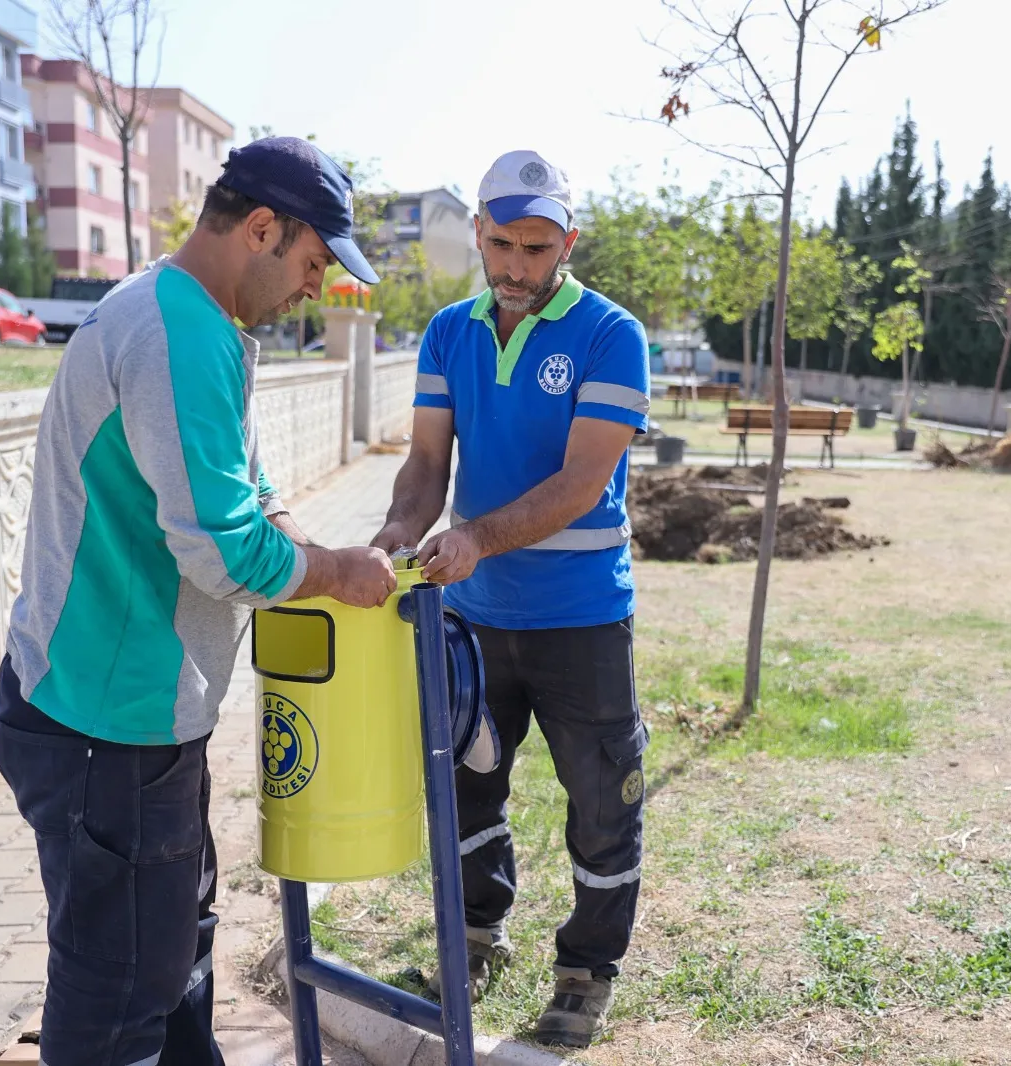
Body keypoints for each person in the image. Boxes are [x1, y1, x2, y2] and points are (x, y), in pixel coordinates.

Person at [0, 137, 398, 1066]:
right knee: (118, 1000)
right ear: (261, 228)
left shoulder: (191, 318)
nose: (316, 288)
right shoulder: (177, 333)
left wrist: (292, 523)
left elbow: (249, 492)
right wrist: (334, 571)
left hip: (130, 719)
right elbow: (223, 551)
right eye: (312, 262)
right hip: (110, 723)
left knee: (172, 958)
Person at [371, 149, 651, 1048]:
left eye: (539, 248)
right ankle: (474, 935)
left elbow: (579, 484)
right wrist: (393, 538)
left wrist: (477, 537)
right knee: (465, 786)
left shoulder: (613, 336)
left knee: (603, 799)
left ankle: (585, 970)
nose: (519, 268)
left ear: (568, 241)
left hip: (581, 620)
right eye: (502, 245)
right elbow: (425, 467)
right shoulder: (450, 331)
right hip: (474, 618)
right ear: (479, 237)